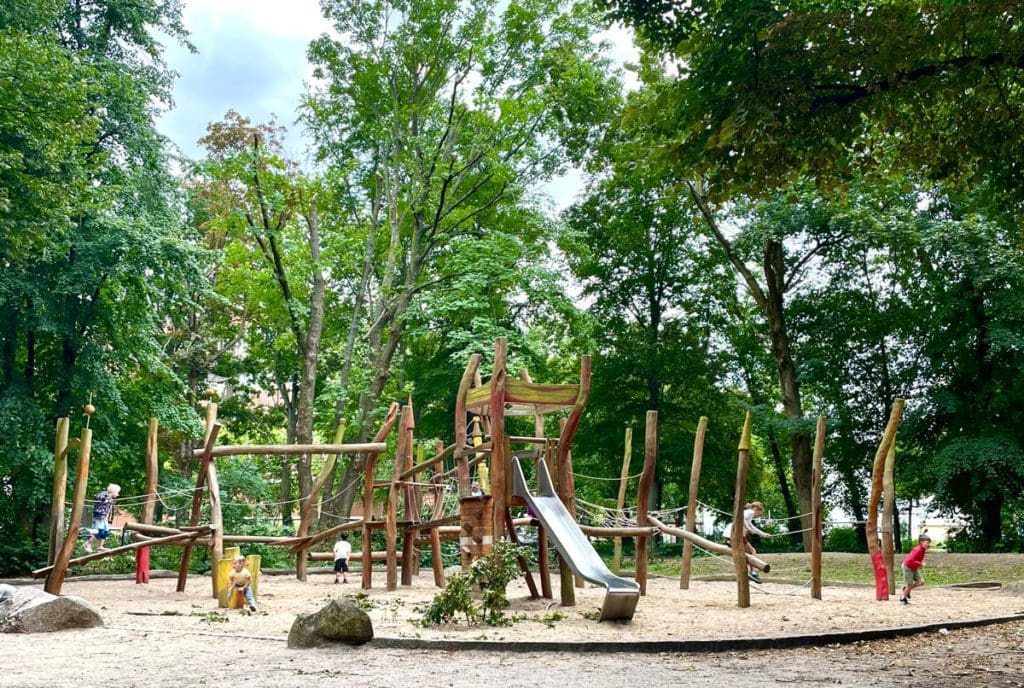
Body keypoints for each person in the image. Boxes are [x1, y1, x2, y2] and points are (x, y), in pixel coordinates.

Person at [724, 501, 769, 584]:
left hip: (731, 534)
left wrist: (763, 534)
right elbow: (742, 519)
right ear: (756, 509)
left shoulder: (747, 513)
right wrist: (749, 529)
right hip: (736, 534)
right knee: (752, 551)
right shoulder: (750, 512)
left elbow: (751, 526)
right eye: (759, 513)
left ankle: (750, 571)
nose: (759, 515)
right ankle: (753, 572)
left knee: (748, 552)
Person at [84, 483, 120, 553]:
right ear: (113, 491)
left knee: (105, 532)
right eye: (117, 492)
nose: (118, 494)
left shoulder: (111, 498)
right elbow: (97, 497)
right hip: (99, 515)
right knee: (101, 532)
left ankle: (100, 547)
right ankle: (88, 543)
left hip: (104, 517)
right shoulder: (105, 494)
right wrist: (107, 498)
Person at [900, 534, 932, 604]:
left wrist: (921, 562)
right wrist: (920, 564)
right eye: (927, 542)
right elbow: (910, 560)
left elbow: (918, 558)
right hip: (908, 567)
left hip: (914, 567)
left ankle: (906, 589)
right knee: (909, 585)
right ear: (921, 542)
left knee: (921, 581)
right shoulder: (917, 549)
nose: (928, 544)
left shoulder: (922, 549)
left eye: (929, 543)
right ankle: (903, 598)